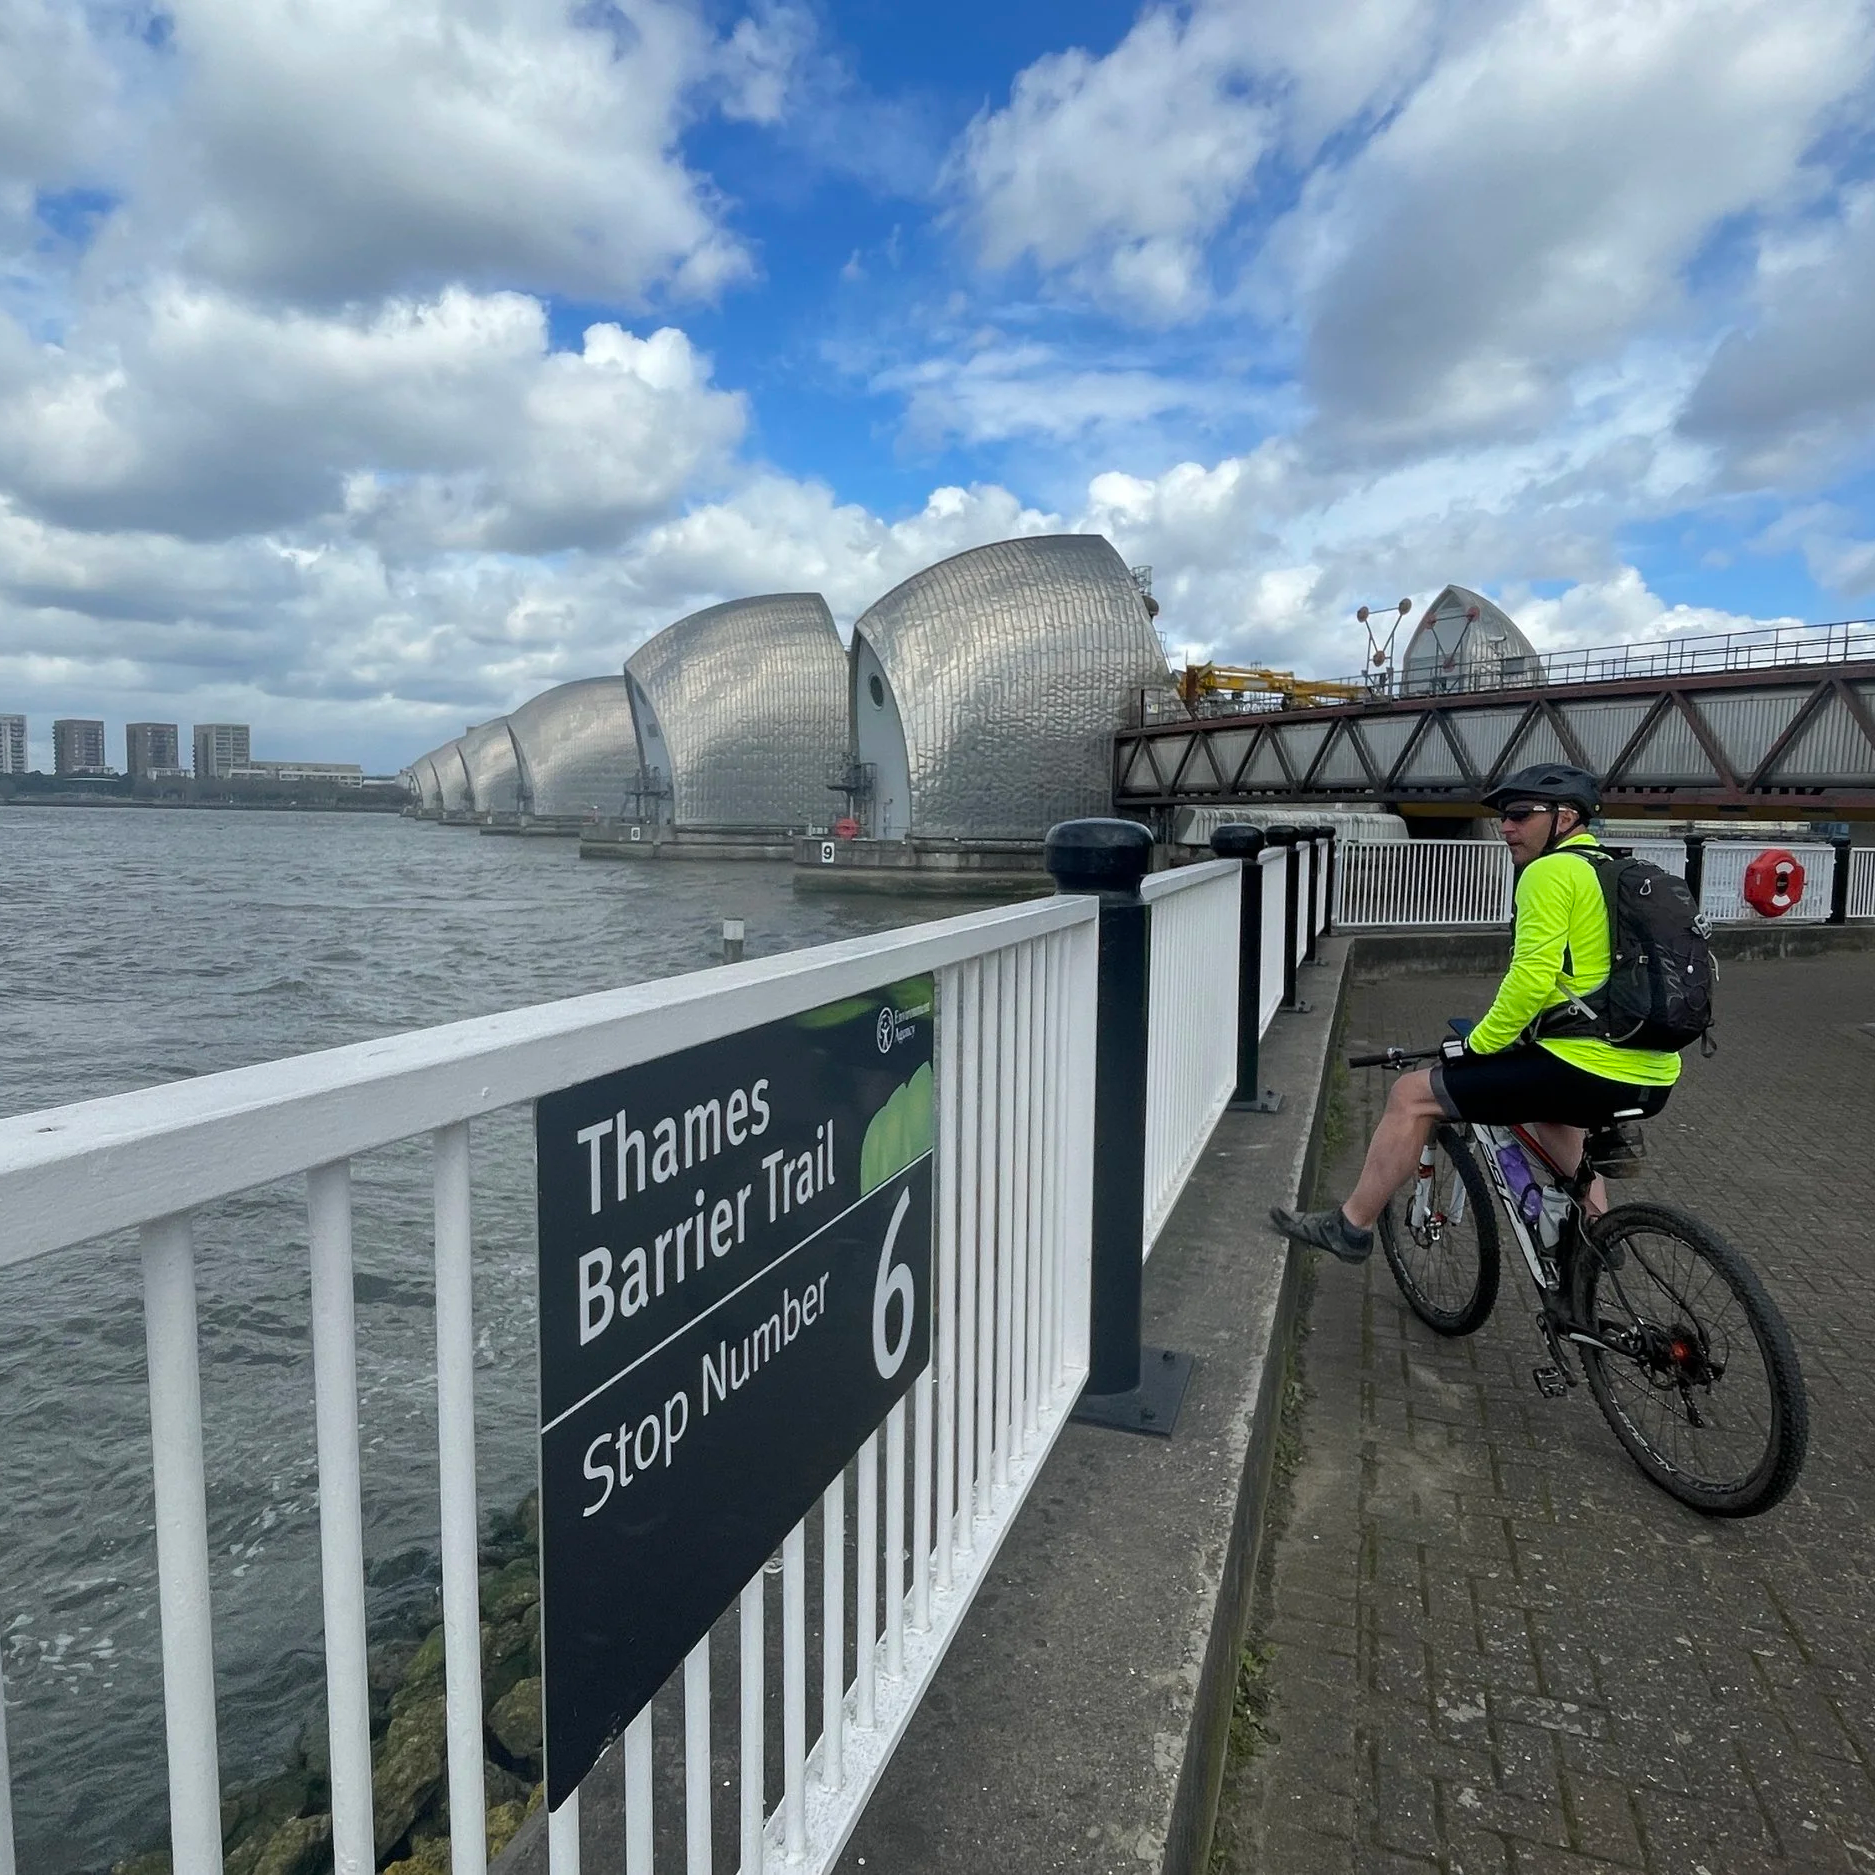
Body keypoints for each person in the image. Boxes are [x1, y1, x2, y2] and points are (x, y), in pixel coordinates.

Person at [1270, 763, 1681, 1262]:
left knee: (1411, 1096)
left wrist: (1478, 1044)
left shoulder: (1550, 872)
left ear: (1567, 816)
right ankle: (1598, 1240)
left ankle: (1351, 1227)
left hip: (1588, 1068)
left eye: (1520, 814)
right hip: (1653, 1070)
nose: (1506, 827)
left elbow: (1530, 979)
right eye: (1505, 817)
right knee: (1556, 1111)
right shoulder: (1613, 871)